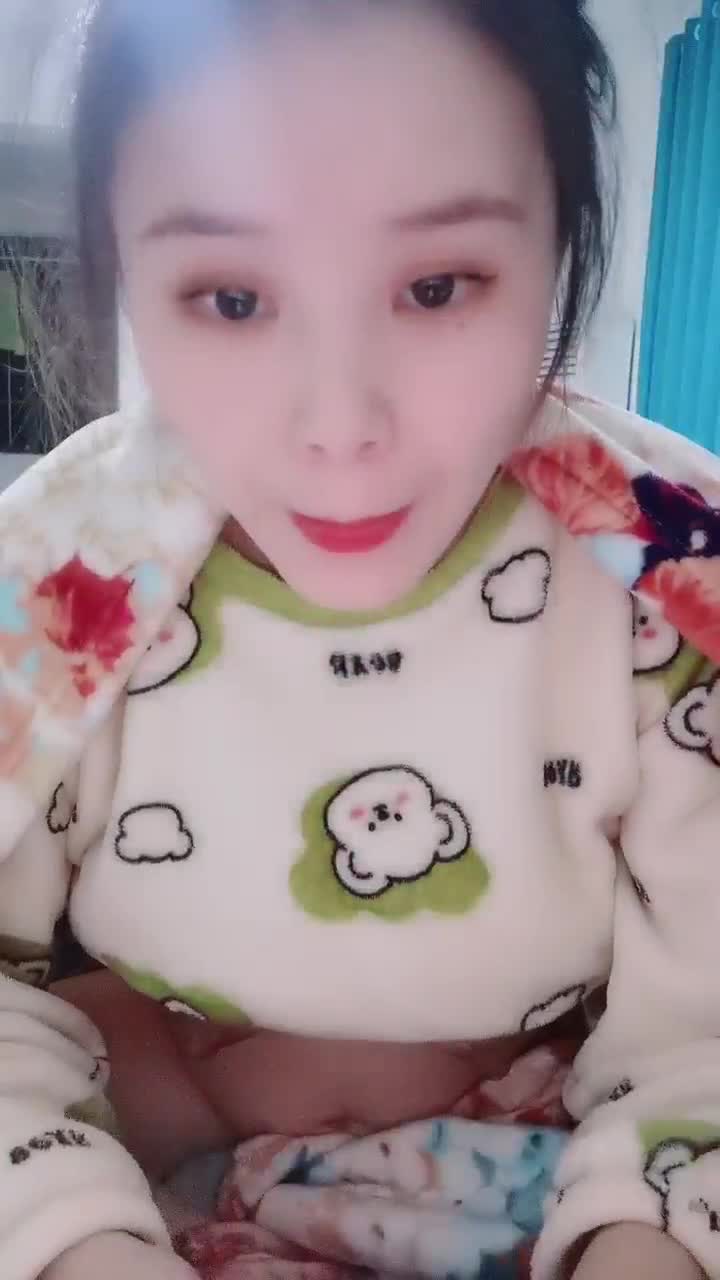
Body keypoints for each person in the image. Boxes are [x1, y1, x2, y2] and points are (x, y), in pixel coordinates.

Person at [1, 0, 719, 1277]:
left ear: (561, 246)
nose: (340, 426)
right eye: (232, 298)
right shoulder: (55, 576)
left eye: (436, 287)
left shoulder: (667, 569)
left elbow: (703, 1049)